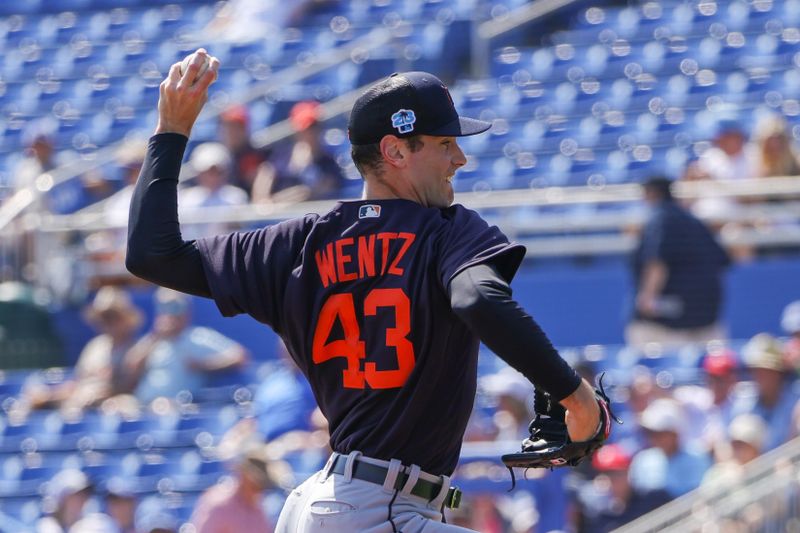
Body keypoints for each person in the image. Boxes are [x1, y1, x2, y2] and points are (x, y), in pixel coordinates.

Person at [126, 51, 603, 532]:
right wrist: (576, 398)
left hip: (331, 503)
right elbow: (477, 297)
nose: (459, 158)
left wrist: (171, 131)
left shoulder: (296, 245)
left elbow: (152, 254)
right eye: (444, 143)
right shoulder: (446, 233)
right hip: (380, 508)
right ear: (395, 152)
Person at [626, 176, 731, 349]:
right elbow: (722, 262)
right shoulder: (694, 221)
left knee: (640, 333)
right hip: (706, 314)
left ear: (652, 194)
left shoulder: (660, 218)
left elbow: (657, 262)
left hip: (670, 322)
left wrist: (648, 297)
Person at [22, 286, 143, 412]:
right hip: (81, 399)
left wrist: (104, 391)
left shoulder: (137, 349)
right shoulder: (96, 346)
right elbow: (78, 381)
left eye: (113, 316)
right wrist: (49, 396)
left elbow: (133, 386)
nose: (108, 322)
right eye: (104, 317)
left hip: (111, 403)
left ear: (125, 319)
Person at [122, 288, 248, 405]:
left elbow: (239, 356)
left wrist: (202, 365)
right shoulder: (153, 340)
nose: (169, 313)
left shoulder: (199, 337)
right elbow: (130, 366)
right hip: (142, 404)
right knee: (113, 406)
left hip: (174, 406)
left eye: (175, 307)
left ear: (186, 311)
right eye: (164, 307)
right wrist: (155, 336)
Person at [252, 100, 346, 203]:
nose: (311, 133)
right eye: (306, 129)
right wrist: (272, 203)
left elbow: (321, 189)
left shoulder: (328, 162)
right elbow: (262, 192)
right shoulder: (281, 156)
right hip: (278, 213)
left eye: (314, 127)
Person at [628, 398, 711, 498]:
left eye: (659, 433)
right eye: (649, 432)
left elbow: (695, 498)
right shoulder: (642, 459)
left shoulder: (697, 457)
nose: (653, 438)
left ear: (674, 433)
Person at [730, 333, 800, 452]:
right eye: (756, 371)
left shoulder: (796, 403)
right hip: (752, 469)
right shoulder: (743, 404)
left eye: (767, 371)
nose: (760, 376)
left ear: (779, 373)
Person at [578, 444, 670, 533]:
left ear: (628, 471)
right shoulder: (599, 514)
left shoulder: (653, 499)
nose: (612, 479)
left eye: (616, 473)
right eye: (607, 474)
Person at [190, 444, 279, 532]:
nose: (259, 490)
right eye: (256, 485)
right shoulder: (219, 504)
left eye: (262, 486)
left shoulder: (259, 511)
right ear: (244, 476)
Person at [180, 142, 248, 239]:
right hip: (190, 250)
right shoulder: (185, 197)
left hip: (224, 250)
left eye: (217, 171)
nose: (211, 176)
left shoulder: (236, 196)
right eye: (206, 172)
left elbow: (239, 228)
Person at [218, 104, 266, 195]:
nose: (232, 132)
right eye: (228, 126)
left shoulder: (255, 154)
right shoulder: (215, 152)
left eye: (237, 127)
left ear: (245, 129)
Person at [37, 469, 94, 533]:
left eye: (84, 495)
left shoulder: (86, 526)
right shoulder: (45, 527)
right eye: (75, 496)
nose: (81, 500)